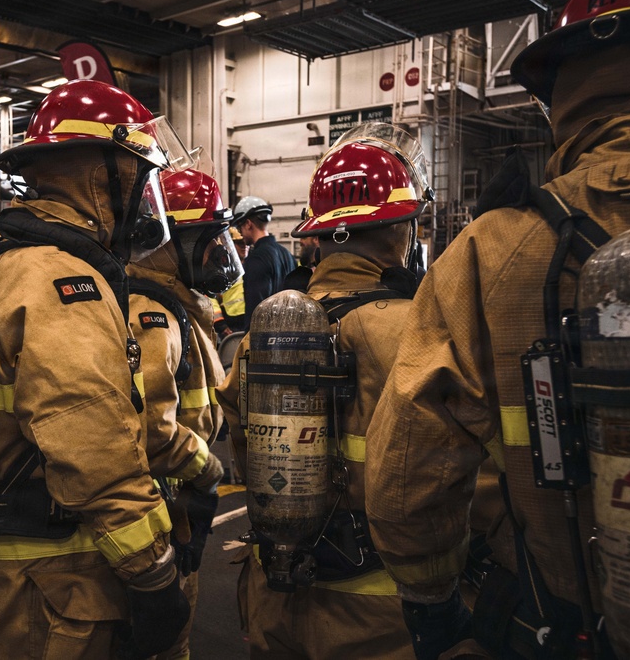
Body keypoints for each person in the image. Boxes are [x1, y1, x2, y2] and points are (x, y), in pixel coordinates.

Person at [364, 0, 630, 658]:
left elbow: (408, 472)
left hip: (559, 625)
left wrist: (432, 605)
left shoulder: (491, 251)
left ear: (561, 93)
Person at [0, 79, 191, 660]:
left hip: (6, 566)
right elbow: (93, 443)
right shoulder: (59, 279)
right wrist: (153, 574)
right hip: (53, 579)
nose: (144, 191)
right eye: (139, 173)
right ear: (105, 175)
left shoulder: (1, 258)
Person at [216, 123, 430, 659]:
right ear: (399, 229)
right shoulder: (421, 332)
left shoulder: (263, 337)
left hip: (277, 597)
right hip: (379, 616)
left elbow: (244, 446)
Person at [127, 166, 242, 659]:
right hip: (160, 508)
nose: (220, 252)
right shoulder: (150, 313)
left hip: (175, 503)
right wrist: (208, 469)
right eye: (209, 239)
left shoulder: (178, 305)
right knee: (164, 642)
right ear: (171, 243)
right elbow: (152, 431)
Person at [233, 196, 296, 329]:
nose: (241, 233)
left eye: (240, 227)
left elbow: (256, 311)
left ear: (248, 224)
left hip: (266, 336)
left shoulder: (255, 259)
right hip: (290, 331)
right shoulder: (287, 255)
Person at [211, 226, 248, 339]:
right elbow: (211, 297)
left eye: (246, 243)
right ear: (230, 245)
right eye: (240, 243)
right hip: (231, 326)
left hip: (249, 322)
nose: (244, 246)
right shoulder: (222, 269)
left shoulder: (253, 264)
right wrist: (221, 325)